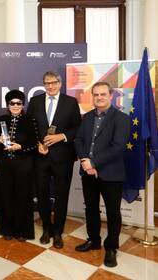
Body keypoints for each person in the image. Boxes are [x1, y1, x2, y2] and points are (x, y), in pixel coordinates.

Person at [74, 82, 130, 267]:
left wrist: (94, 162)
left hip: (110, 173)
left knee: (113, 213)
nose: (99, 97)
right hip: (88, 171)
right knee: (91, 208)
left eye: (103, 94)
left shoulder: (121, 118)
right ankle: (94, 240)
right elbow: (79, 140)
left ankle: (111, 248)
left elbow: (118, 147)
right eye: (96, 94)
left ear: (111, 95)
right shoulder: (87, 117)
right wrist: (85, 161)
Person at [27, 71, 81, 248]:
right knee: (42, 195)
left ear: (60, 83)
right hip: (40, 157)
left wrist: (62, 136)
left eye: (53, 82)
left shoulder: (70, 102)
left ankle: (58, 231)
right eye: (46, 83)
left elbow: (77, 128)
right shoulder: (35, 102)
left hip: (62, 157)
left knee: (61, 196)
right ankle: (46, 228)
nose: (50, 86)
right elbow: (29, 128)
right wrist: (37, 144)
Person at [0, 90, 38, 241]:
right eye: (12, 103)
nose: (15, 106)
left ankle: (22, 231)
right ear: (8, 105)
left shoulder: (30, 120)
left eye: (18, 103)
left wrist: (20, 147)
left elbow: (35, 144)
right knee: (6, 196)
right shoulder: (1, 119)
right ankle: (7, 229)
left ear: (22, 104)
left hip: (24, 165)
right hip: (5, 165)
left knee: (23, 197)